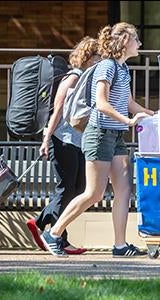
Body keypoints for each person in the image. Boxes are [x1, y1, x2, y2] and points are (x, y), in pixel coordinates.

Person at [40, 22, 154, 257]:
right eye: (136, 39)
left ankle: (120, 246)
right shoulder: (106, 67)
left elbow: (129, 103)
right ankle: (53, 233)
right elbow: (101, 103)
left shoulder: (123, 69)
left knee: (124, 189)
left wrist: (152, 114)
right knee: (94, 193)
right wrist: (128, 121)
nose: (140, 44)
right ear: (124, 42)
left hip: (116, 135)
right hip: (99, 133)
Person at [25, 37, 100, 255]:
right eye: (97, 57)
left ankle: (53, 229)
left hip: (77, 141)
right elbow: (57, 111)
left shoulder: (87, 80)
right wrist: (46, 138)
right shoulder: (73, 78)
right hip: (63, 139)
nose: (99, 62)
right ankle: (48, 227)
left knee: (78, 188)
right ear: (88, 57)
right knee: (67, 187)